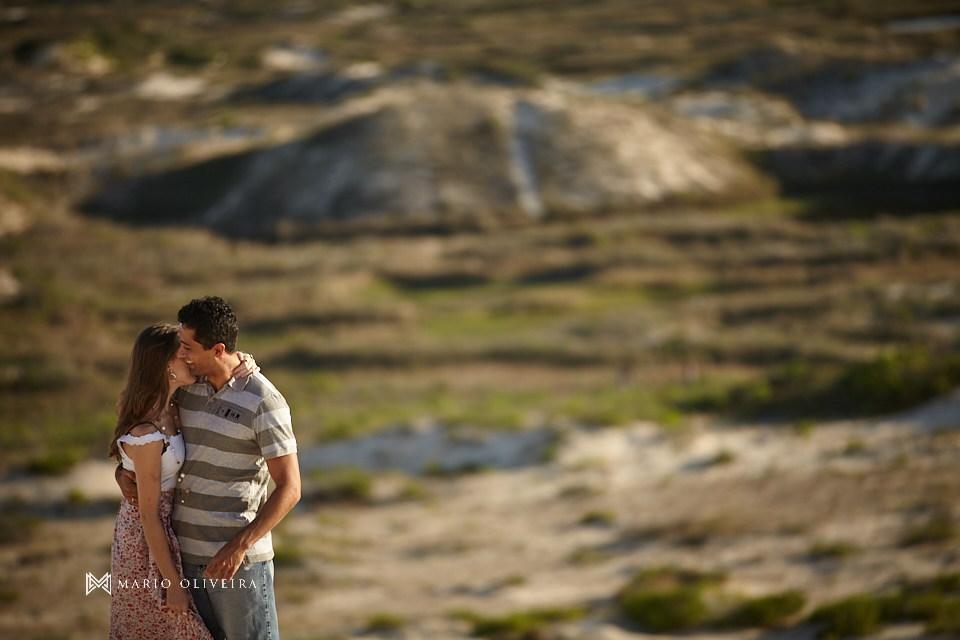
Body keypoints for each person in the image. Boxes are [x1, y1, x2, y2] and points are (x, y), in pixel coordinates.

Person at [117, 296, 301, 640]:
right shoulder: (188, 388)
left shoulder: (264, 401)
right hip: (184, 556)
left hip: (236, 564)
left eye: (188, 347)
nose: (182, 353)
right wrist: (124, 471)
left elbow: (290, 488)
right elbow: (145, 431)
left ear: (217, 350)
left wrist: (239, 546)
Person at [108, 323, 247, 639]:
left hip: (166, 530)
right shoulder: (147, 433)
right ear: (165, 365)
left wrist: (244, 360)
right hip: (144, 542)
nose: (190, 357)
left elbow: (220, 360)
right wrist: (172, 585)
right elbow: (148, 515)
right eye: (182, 352)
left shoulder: (175, 403)